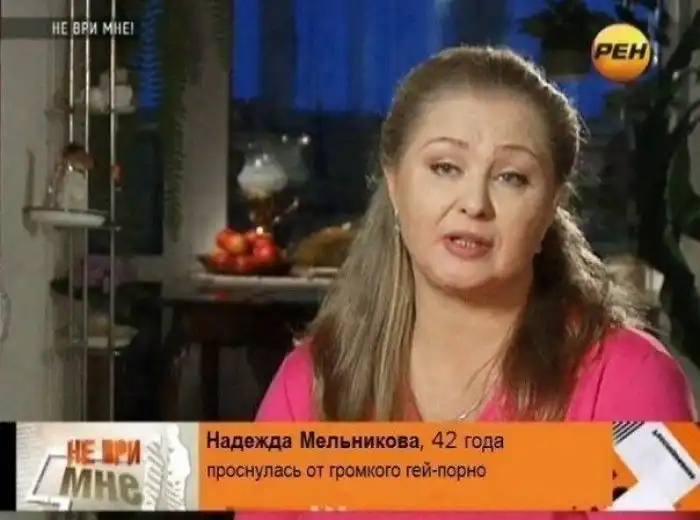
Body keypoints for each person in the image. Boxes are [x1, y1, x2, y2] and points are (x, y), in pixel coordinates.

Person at [238, 46, 696, 519]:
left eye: (511, 177)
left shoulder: (632, 379)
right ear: (393, 182)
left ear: (551, 206)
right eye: (445, 168)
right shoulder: (316, 378)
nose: (474, 203)